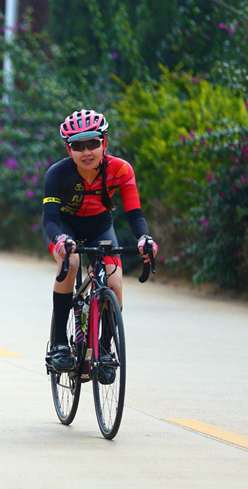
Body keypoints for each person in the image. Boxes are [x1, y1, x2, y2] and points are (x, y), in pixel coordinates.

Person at [42, 109, 159, 373]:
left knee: (115, 280)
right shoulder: (57, 174)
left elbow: (135, 213)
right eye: (78, 146)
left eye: (93, 143)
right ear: (68, 149)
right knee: (70, 263)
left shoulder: (120, 169)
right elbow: (49, 218)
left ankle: (105, 349)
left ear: (104, 142)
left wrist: (144, 239)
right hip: (63, 226)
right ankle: (60, 342)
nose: (87, 152)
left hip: (100, 226)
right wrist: (60, 239)